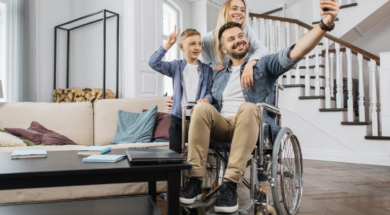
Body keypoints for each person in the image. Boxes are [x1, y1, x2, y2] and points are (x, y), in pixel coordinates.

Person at [178, 0, 340, 213]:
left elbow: (296, 51)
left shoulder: (264, 64)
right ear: (223, 48)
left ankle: (229, 185)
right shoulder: (217, 72)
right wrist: (187, 100)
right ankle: (195, 181)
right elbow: (201, 93)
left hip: (249, 124)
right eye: (231, 39)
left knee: (248, 107)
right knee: (199, 109)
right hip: (222, 124)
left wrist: (324, 24)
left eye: (241, 36)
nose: (238, 40)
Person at [165, 0, 269, 111]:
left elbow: (262, 49)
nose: (239, 12)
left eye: (242, 10)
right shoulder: (208, 40)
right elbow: (201, 70)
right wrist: (178, 98)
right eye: (234, 8)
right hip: (218, 90)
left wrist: (249, 64)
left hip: (242, 87)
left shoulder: (247, 31)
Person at [148, 27, 213, 154]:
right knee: (175, 153)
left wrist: (207, 99)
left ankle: (194, 174)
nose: (197, 47)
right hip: (178, 116)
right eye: (192, 44)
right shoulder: (175, 66)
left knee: (196, 152)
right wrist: (168, 44)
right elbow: (153, 63)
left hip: (198, 117)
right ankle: (176, 174)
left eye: (199, 43)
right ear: (182, 47)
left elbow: (210, 91)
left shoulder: (207, 70)